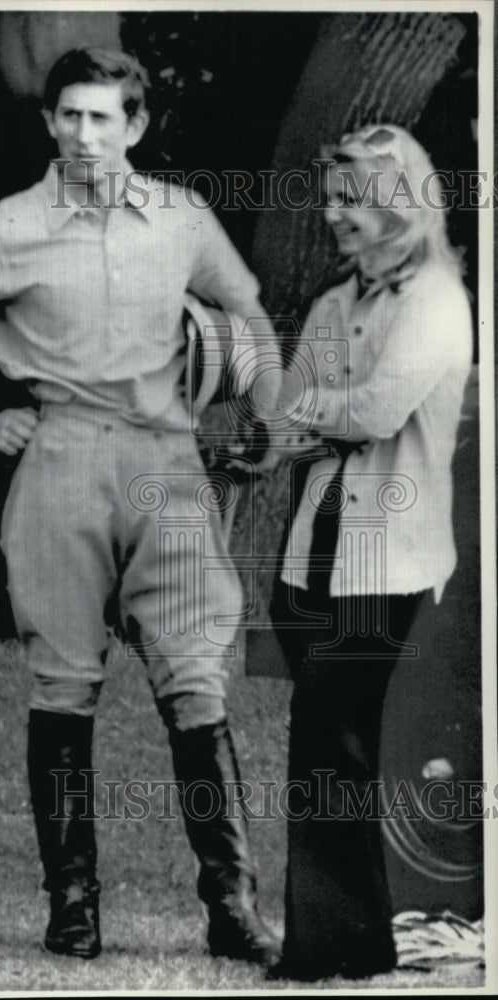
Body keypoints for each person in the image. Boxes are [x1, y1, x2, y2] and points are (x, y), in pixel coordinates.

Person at [0, 47, 280, 965]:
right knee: (63, 687)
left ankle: (233, 906)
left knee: (196, 684)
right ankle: (73, 906)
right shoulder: (8, 226)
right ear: (50, 122)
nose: (85, 135)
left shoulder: (180, 218)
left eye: (104, 119)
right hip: (60, 462)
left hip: (167, 467)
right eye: (70, 117)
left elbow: (248, 311)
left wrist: (263, 418)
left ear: (135, 126)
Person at [263, 125, 473, 981]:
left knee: (337, 742)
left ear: (399, 203)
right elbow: (286, 421)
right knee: (318, 749)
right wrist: (310, 415)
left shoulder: (435, 300)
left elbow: (374, 412)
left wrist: (312, 412)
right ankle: (334, 945)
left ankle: (338, 952)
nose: (333, 215)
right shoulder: (333, 303)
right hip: (309, 558)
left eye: (353, 199)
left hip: (384, 563)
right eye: (331, 198)